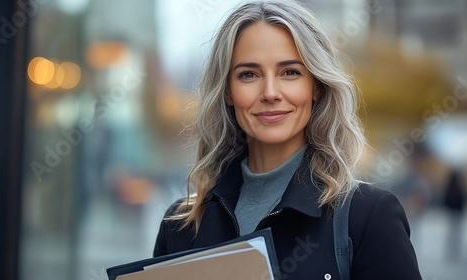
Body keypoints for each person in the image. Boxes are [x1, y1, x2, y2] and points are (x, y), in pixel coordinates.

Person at [153, 1, 422, 279]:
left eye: (290, 72)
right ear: (228, 92)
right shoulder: (181, 225)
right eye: (248, 74)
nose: (270, 92)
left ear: (315, 85)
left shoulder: (368, 216)